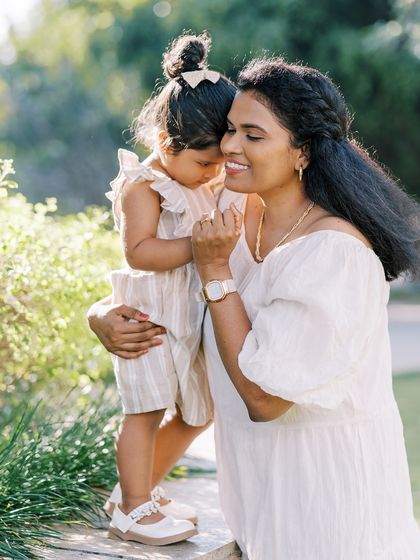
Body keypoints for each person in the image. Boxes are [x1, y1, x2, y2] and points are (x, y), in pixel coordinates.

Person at [89, 56, 420, 559]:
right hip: (256, 510)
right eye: (229, 130)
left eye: (253, 135)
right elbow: (156, 272)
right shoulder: (228, 213)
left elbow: (266, 399)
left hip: (326, 515)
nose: (228, 146)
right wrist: (101, 316)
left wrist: (216, 273)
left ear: (302, 151)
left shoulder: (334, 254)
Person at [101, 32, 236, 546]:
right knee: (146, 408)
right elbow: (140, 251)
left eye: (220, 163)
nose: (213, 175)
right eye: (205, 164)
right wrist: (202, 250)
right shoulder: (145, 185)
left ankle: (135, 491)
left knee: (197, 411)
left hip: (190, 315)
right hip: (150, 315)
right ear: (165, 144)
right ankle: (132, 509)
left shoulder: (200, 181)